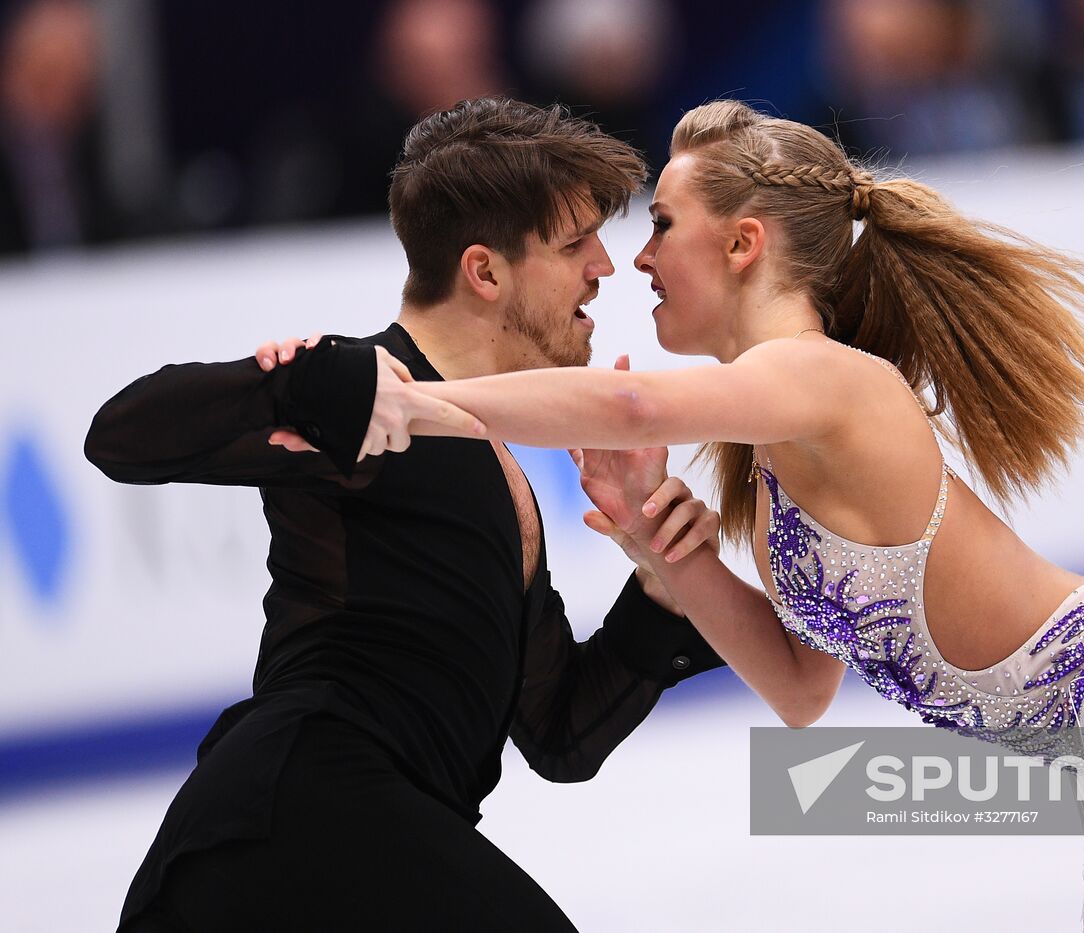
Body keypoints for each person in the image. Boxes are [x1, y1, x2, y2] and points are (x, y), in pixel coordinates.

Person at [274, 99, 1084, 930]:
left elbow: (622, 397)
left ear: (743, 243)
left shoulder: (825, 380)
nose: (634, 260)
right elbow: (805, 688)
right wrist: (647, 536)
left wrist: (404, 398)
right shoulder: (767, 460)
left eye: (659, 223)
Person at [85, 98, 725, 933]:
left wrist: (661, 575)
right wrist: (297, 383)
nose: (605, 265)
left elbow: (561, 732)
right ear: (485, 271)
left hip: (363, 839)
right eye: (575, 244)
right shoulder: (367, 401)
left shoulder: (500, 465)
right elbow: (122, 437)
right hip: (296, 811)